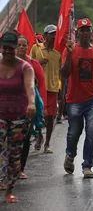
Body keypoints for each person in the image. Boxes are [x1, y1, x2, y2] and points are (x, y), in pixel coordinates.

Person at [61, 18, 93, 179]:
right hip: (74, 99)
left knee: (91, 131)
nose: (85, 33)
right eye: (82, 30)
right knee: (74, 132)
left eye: (88, 29)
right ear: (77, 33)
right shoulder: (70, 50)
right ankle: (70, 155)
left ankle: (87, 165)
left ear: (91, 33)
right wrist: (68, 54)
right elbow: (65, 74)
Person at [0, 31, 36, 203]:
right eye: (4, 48)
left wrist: (31, 103)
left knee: (15, 156)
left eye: (10, 48)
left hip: (19, 117)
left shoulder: (25, 67)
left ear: (15, 48)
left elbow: (30, 87)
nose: (7, 51)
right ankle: (1, 179)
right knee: (1, 149)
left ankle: (9, 190)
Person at [16, 36, 47, 179]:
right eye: (19, 45)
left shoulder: (32, 63)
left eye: (24, 45)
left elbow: (41, 83)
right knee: (9, 139)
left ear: (28, 46)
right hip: (10, 107)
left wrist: (42, 105)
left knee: (26, 137)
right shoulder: (6, 63)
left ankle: (21, 168)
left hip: (28, 106)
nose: (21, 47)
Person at [31, 24, 61, 153]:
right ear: (45, 36)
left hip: (53, 88)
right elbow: (27, 65)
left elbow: (60, 72)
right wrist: (39, 63)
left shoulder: (58, 53)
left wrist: (61, 90)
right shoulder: (36, 49)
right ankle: (39, 136)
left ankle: (47, 143)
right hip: (38, 88)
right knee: (38, 115)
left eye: (55, 34)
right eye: (51, 34)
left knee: (51, 117)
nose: (53, 36)